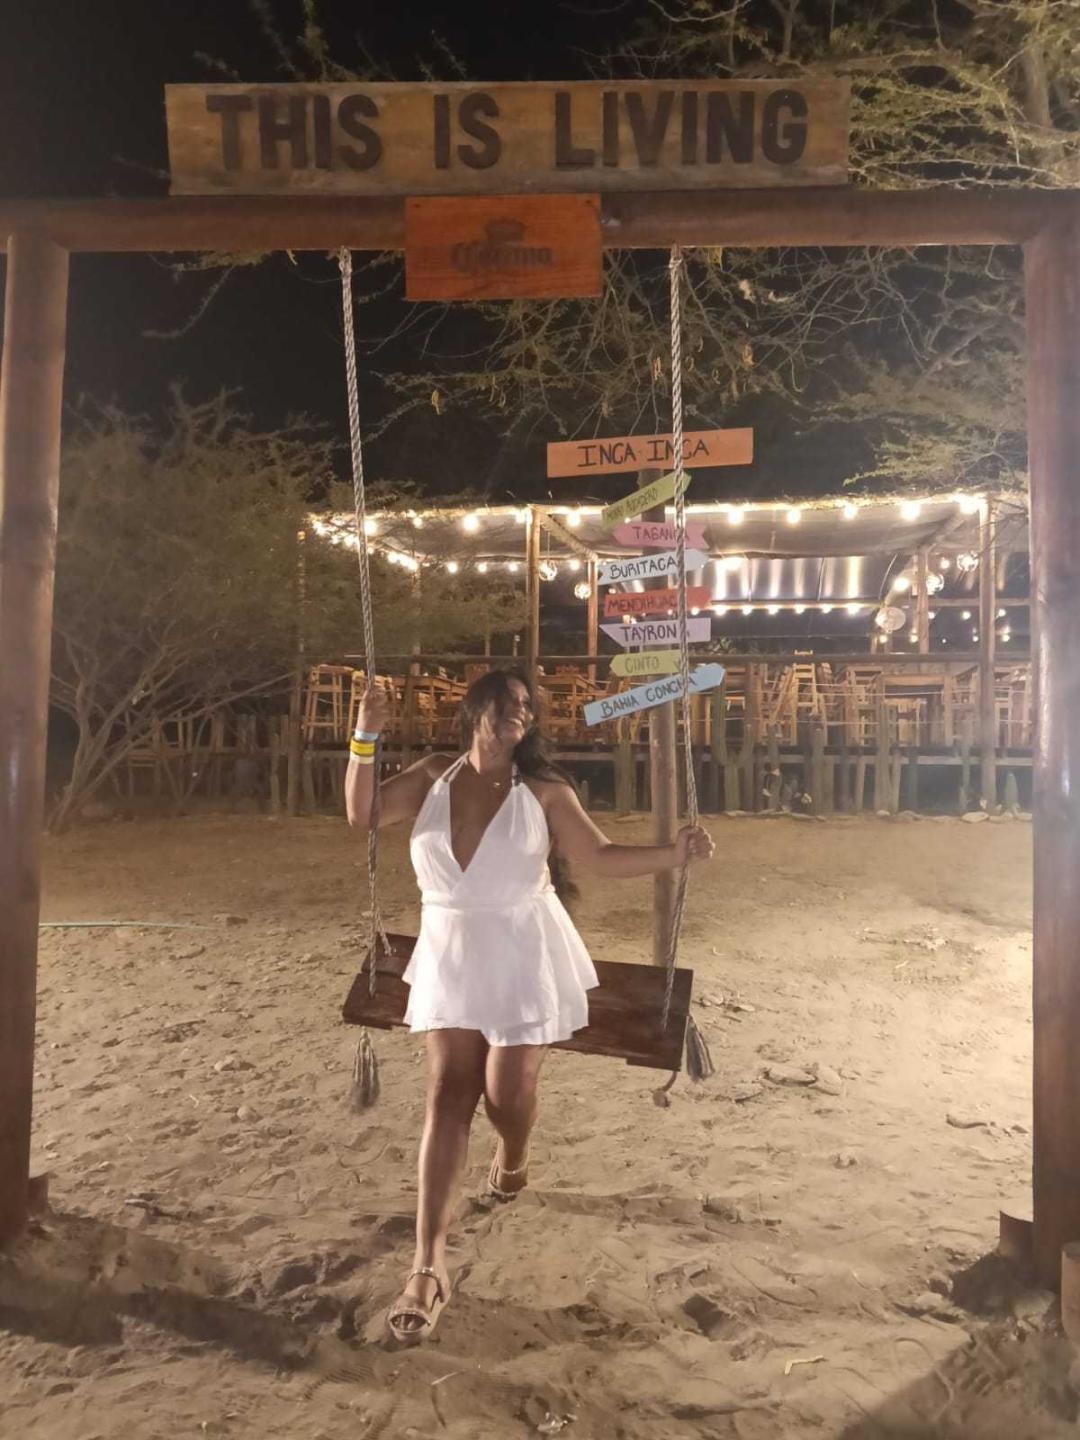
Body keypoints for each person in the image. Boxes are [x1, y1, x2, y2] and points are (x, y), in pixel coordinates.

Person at [346, 667, 715, 1344]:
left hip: (523, 949)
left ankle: (513, 1152)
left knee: (506, 1094)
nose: (516, 710)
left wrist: (673, 854)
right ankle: (427, 1266)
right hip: (451, 948)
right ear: (474, 711)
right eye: (504, 701)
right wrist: (365, 733)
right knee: (447, 1095)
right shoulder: (431, 777)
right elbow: (362, 813)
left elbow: (598, 856)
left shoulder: (543, 791)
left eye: (524, 705)